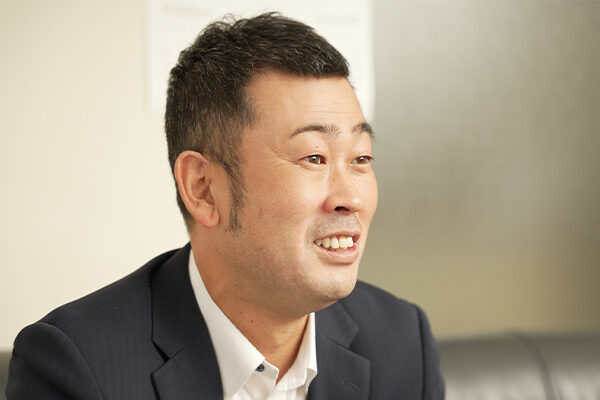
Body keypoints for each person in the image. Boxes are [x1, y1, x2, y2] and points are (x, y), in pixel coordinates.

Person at [6, 12, 444, 400]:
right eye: (314, 157)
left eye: (361, 158)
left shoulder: (402, 340)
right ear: (203, 189)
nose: (351, 198)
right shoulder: (78, 368)